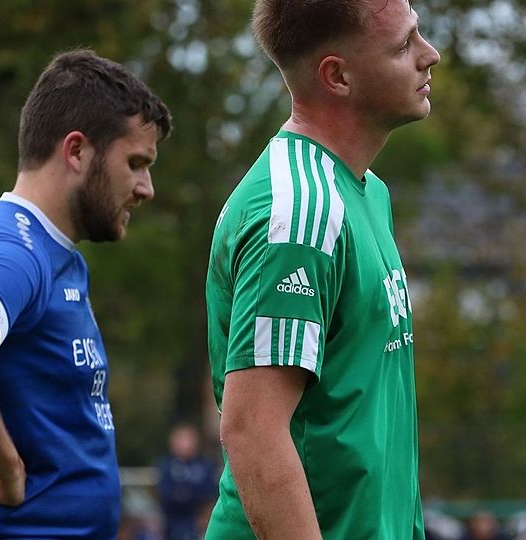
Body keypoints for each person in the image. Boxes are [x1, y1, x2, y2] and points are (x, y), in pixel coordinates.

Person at [0, 48, 172, 538]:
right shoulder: (14, 248)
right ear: (76, 151)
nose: (145, 188)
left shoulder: (53, 252)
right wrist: (6, 469)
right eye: (135, 163)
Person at [204, 0, 440, 538]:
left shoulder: (366, 193)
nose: (431, 55)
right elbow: (251, 430)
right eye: (404, 45)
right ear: (337, 76)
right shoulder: (299, 218)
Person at [156, 423, 219, 540]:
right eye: (181, 439)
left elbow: (210, 492)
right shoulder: (166, 466)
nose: (186, 444)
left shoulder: (205, 465)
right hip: (173, 524)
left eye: (189, 439)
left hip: (200, 523)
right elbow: (166, 494)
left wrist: (185, 493)